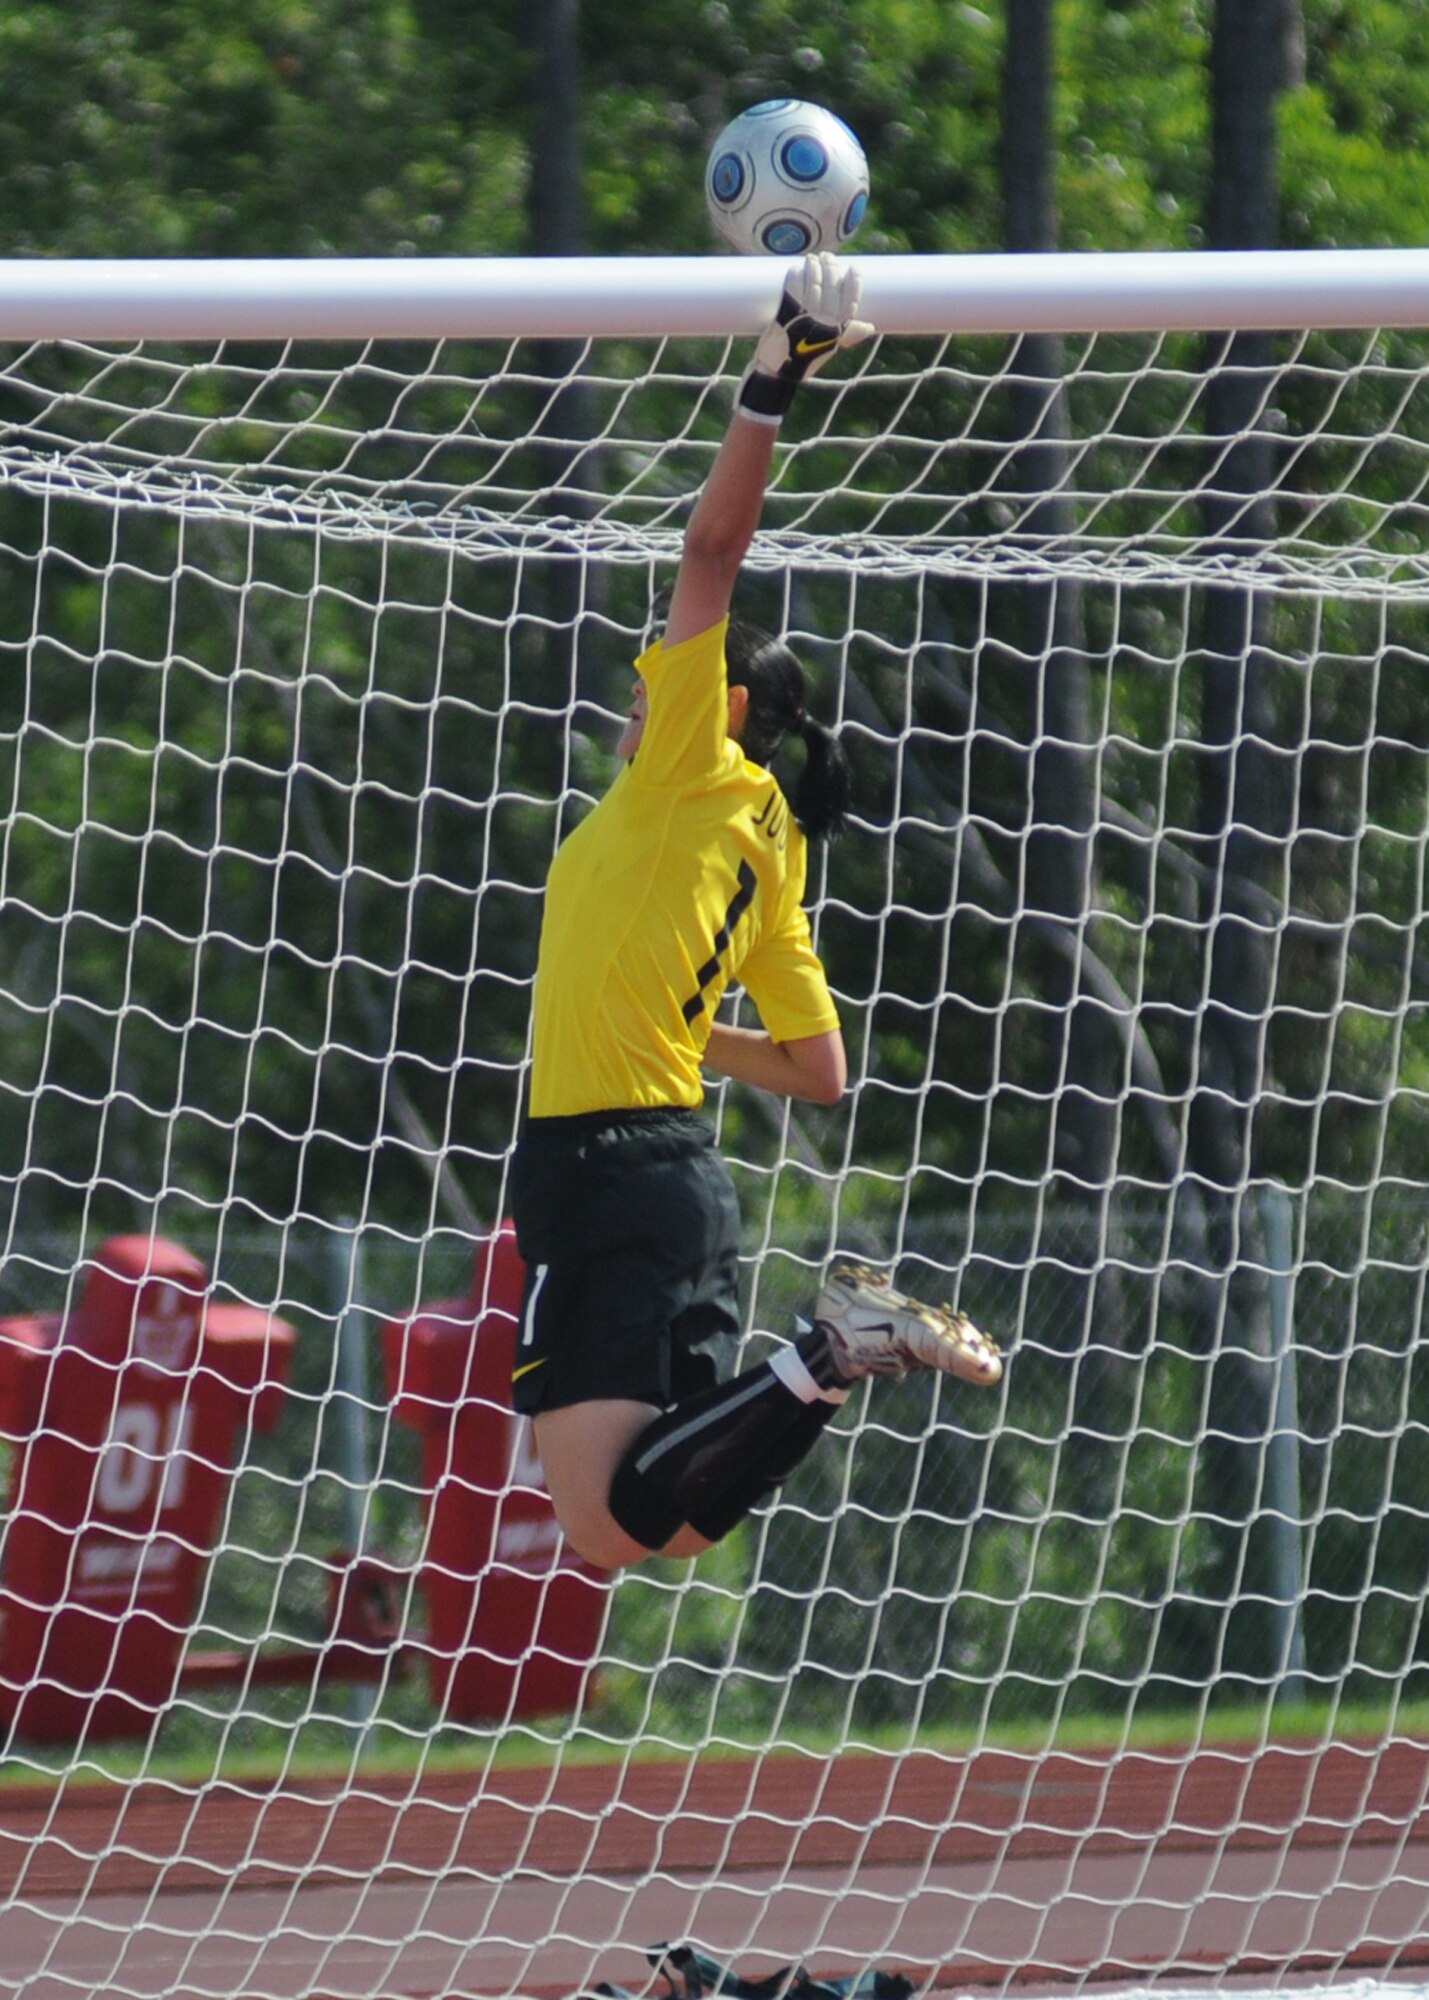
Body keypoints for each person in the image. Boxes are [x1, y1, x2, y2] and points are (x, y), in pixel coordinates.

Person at [509, 254, 1002, 1572]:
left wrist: (775, 371)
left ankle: (836, 1345)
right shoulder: (770, 841)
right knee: (660, 1528)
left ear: (717, 705)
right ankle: (830, 1358)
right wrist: (681, 1034)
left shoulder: (689, 767)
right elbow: (819, 1070)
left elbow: (712, 547)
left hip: (598, 1169)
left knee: (602, 1526)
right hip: (679, 1174)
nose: (637, 698)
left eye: (654, 682)